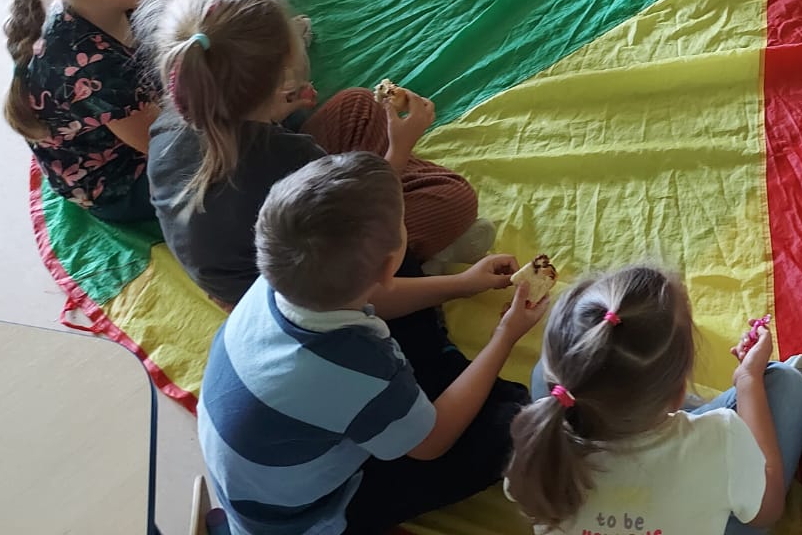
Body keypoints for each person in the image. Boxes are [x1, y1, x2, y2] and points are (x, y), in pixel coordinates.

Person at [198, 152, 545, 535]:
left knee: (406, 278)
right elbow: (431, 443)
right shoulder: (357, 360)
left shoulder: (281, 277)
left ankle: (429, 388)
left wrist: (463, 285)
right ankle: (437, 385)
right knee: (511, 424)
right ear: (384, 266)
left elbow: (378, 294)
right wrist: (505, 336)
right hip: (306, 519)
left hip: (265, 471)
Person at [138, 0, 490, 302]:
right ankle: (423, 259)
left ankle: (386, 182)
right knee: (454, 199)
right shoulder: (290, 157)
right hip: (292, 286)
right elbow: (349, 217)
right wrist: (399, 149)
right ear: (283, 69)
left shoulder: (170, 120)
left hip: (239, 247)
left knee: (356, 105)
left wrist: (278, 108)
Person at [1, 0, 246, 221]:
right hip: (123, 182)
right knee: (246, 150)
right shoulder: (94, 69)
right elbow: (170, 148)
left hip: (141, 109)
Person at [505, 265, 802, 534]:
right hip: (710, 481)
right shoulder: (722, 437)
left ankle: (624, 393)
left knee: (540, 374)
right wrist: (748, 381)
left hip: (612, 418)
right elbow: (766, 511)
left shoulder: (537, 446)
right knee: (788, 384)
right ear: (677, 394)